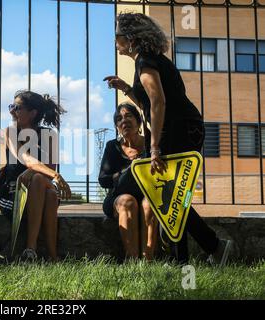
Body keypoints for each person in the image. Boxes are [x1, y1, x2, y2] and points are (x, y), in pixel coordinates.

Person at [104, 12, 232, 265]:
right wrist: (127, 89)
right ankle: (201, 252)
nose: (114, 41)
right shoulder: (150, 60)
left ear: (130, 38)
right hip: (182, 127)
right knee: (172, 195)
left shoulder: (145, 61)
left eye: (117, 36)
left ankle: (209, 248)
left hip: (178, 130)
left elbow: (158, 101)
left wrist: (153, 148)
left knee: (164, 193)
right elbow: (149, 102)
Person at [0, 90, 71, 262]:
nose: (12, 111)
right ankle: (51, 255)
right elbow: (25, 158)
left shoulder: (49, 135)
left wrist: (36, 171)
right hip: (13, 194)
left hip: (39, 188)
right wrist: (54, 175)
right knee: (50, 192)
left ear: (33, 113)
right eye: (11, 106)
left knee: (40, 181)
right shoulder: (10, 132)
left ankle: (32, 251)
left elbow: (50, 167)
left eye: (17, 107)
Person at [99, 102, 157, 261]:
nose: (123, 121)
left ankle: (148, 259)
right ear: (117, 127)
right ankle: (131, 259)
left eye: (128, 116)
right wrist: (123, 173)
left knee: (149, 203)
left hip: (148, 194)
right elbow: (103, 179)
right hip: (118, 197)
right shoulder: (112, 146)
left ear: (139, 122)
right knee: (128, 201)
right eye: (119, 119)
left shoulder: (151, 144)